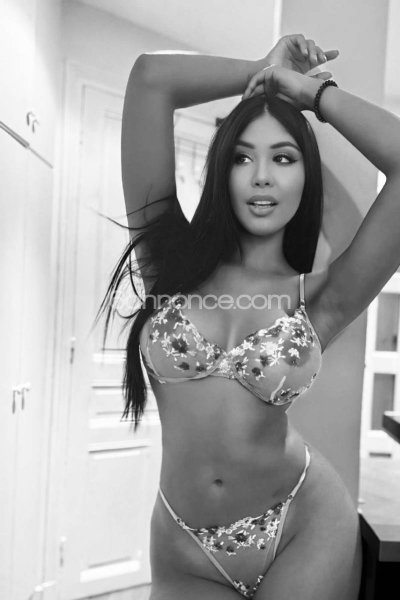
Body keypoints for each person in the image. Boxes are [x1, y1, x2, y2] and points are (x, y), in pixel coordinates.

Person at [97, 33, 400, 599]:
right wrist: (260, 70)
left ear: (305, 176)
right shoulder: (168, 262)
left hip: (303, 527)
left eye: (283, 158)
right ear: (223, 171)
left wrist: (312, 94)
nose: (262, 175)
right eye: (242, 157)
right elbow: (150, 80)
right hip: (184, 544)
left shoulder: (323, 296)